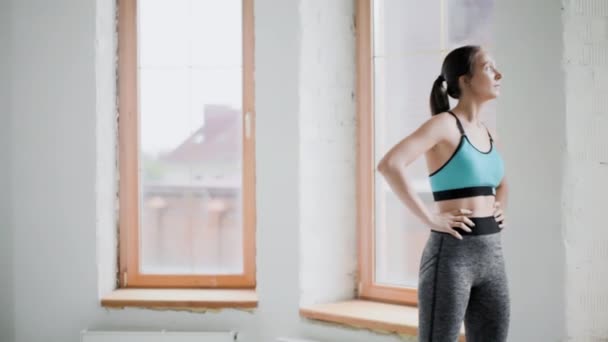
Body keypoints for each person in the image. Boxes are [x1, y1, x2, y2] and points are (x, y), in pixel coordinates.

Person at [377, 45, 510, 342]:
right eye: (489, 67)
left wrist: (500, 205)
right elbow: (389, 164)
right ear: (465, 80)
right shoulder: (444, 126)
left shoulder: (489, 133)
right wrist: (430, 218)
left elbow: (501, 182)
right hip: (453, 256)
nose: (499, 74)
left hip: (493, 256)